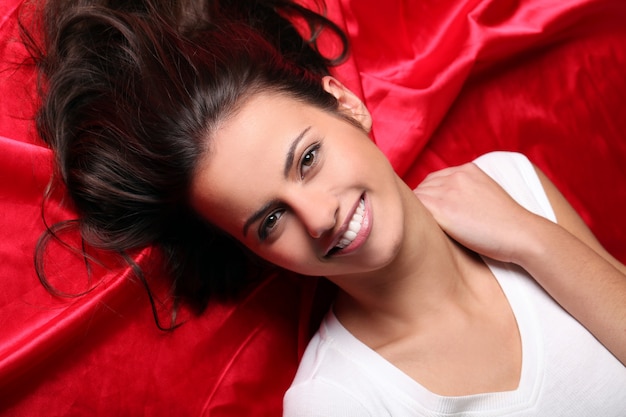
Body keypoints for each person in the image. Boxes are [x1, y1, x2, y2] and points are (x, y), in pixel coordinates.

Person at [24, 0, 626, 415]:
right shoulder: (340, 399)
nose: (318, 218)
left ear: (345, 104)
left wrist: (533, 240)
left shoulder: (510, 183)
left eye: (307, 159)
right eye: (269, 220)